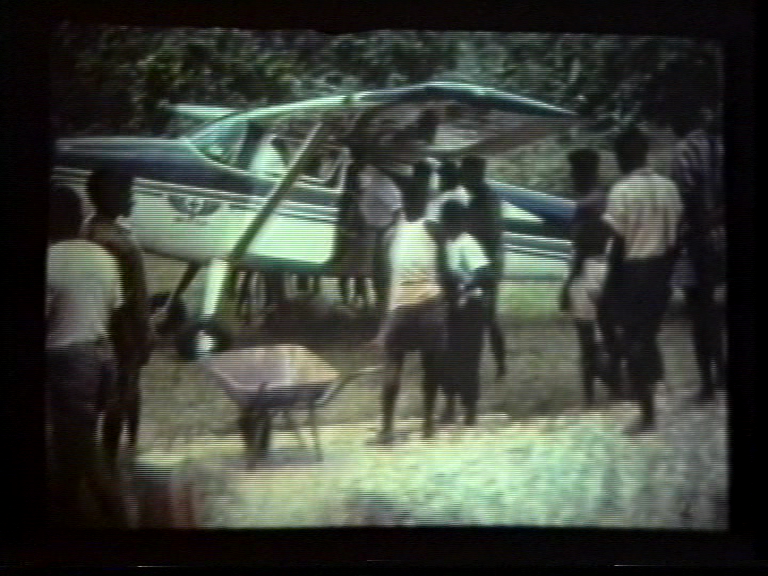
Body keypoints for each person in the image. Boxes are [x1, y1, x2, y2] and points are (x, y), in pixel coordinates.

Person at [46, 185, 127, 527]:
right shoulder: (102, 257)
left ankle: (118, 515)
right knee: (73, 439)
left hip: (69, 360)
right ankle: (68, 508)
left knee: (79, 445)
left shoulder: (51, 259)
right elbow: (115, 311)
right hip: (103, 356)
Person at [601, 127, 684, 435]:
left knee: (630, 340)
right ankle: (656, 385)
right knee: (647, 334)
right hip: (662, 269)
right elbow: (677, 240)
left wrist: (611, 283)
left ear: (625, 155)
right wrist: (666, 270)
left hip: (634, 269)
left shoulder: (621, 191)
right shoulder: (668, 188)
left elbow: (618, 244)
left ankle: (646, 412)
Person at [82, 168, 155, 468]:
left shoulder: (90, 230)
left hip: (102, 324)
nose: (133, 200)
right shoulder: (116, 242)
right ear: (110, 198)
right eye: (127, 194)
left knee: (122, 389)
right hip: (122, 329)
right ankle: (113, 457)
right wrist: (145, 331)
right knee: (120, 392)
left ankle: (123, 448)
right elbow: (131, 297)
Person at [373, 160, 449, 444]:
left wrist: (385, 315)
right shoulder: (434, 228)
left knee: (393, 366)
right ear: (424, 199)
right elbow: (445, 270)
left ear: (402, 201)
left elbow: (380, 279)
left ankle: (386, 428)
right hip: (430, 303)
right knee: (431, 367)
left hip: (400, 305)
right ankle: (428, 423)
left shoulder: (390, 234)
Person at [669, 106, 726, 403]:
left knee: (700, 311)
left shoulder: (686, 150)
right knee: (716, 311)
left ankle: (708, 382)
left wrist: (699, 226)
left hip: (699, 238)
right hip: (721, 233)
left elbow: (686, 196)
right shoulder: (715, 144)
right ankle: (722, 372)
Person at [559, 149, 623, 405]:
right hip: (611, 268)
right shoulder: (610, 198)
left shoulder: (584, 207)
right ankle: (616, 386)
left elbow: (580, 250)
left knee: (586, 338)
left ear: (579, 174)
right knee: (612, 335)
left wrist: (565, 286)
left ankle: (590, 395)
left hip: (587, 272)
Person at [439, 200, 496, 426]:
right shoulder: (445, 245)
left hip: (470, 307)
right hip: (452, 307)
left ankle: (469, 407)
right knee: (447, 358)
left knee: (468, 359)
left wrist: (463, 286)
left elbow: (484, 274)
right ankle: (450, 405)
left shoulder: (467, 243)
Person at [460, 156, 507, 379]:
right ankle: (498, 363)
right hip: (486, 264)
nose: (462, 176)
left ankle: (489, 365)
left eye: (465, 171)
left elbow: (483, 234)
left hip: (485, 265)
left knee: (483, 317)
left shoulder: (483, 200)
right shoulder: (483, 197)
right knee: (485, 317)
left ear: (476, 173)